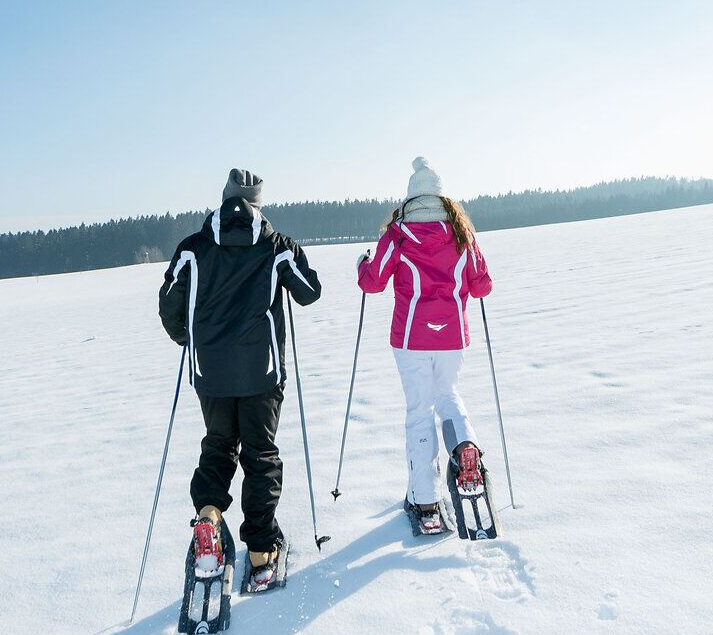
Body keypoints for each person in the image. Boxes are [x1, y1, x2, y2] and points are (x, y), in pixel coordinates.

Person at [158, 169, 322, 590]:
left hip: (210, 373)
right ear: (257, 203)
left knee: (218, 446)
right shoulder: (274, 244)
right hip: (261, 373)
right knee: (260, 455)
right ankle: (262, 553)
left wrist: (189, 340)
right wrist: (288, 251)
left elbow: (169, 304)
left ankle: (209, 518)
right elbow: (309, 290)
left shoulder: (192, 247)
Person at [356, 157, 494, 533]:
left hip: (411, 338)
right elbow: (482, 286)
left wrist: (361, 265)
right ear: (442, 197)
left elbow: (373, 282)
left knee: (419, 411)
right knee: (447, 395)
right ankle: (466, 448)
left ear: (411, 197)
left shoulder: (398, 234)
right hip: (452, 337)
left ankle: (426, 503)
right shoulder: (463, 233)